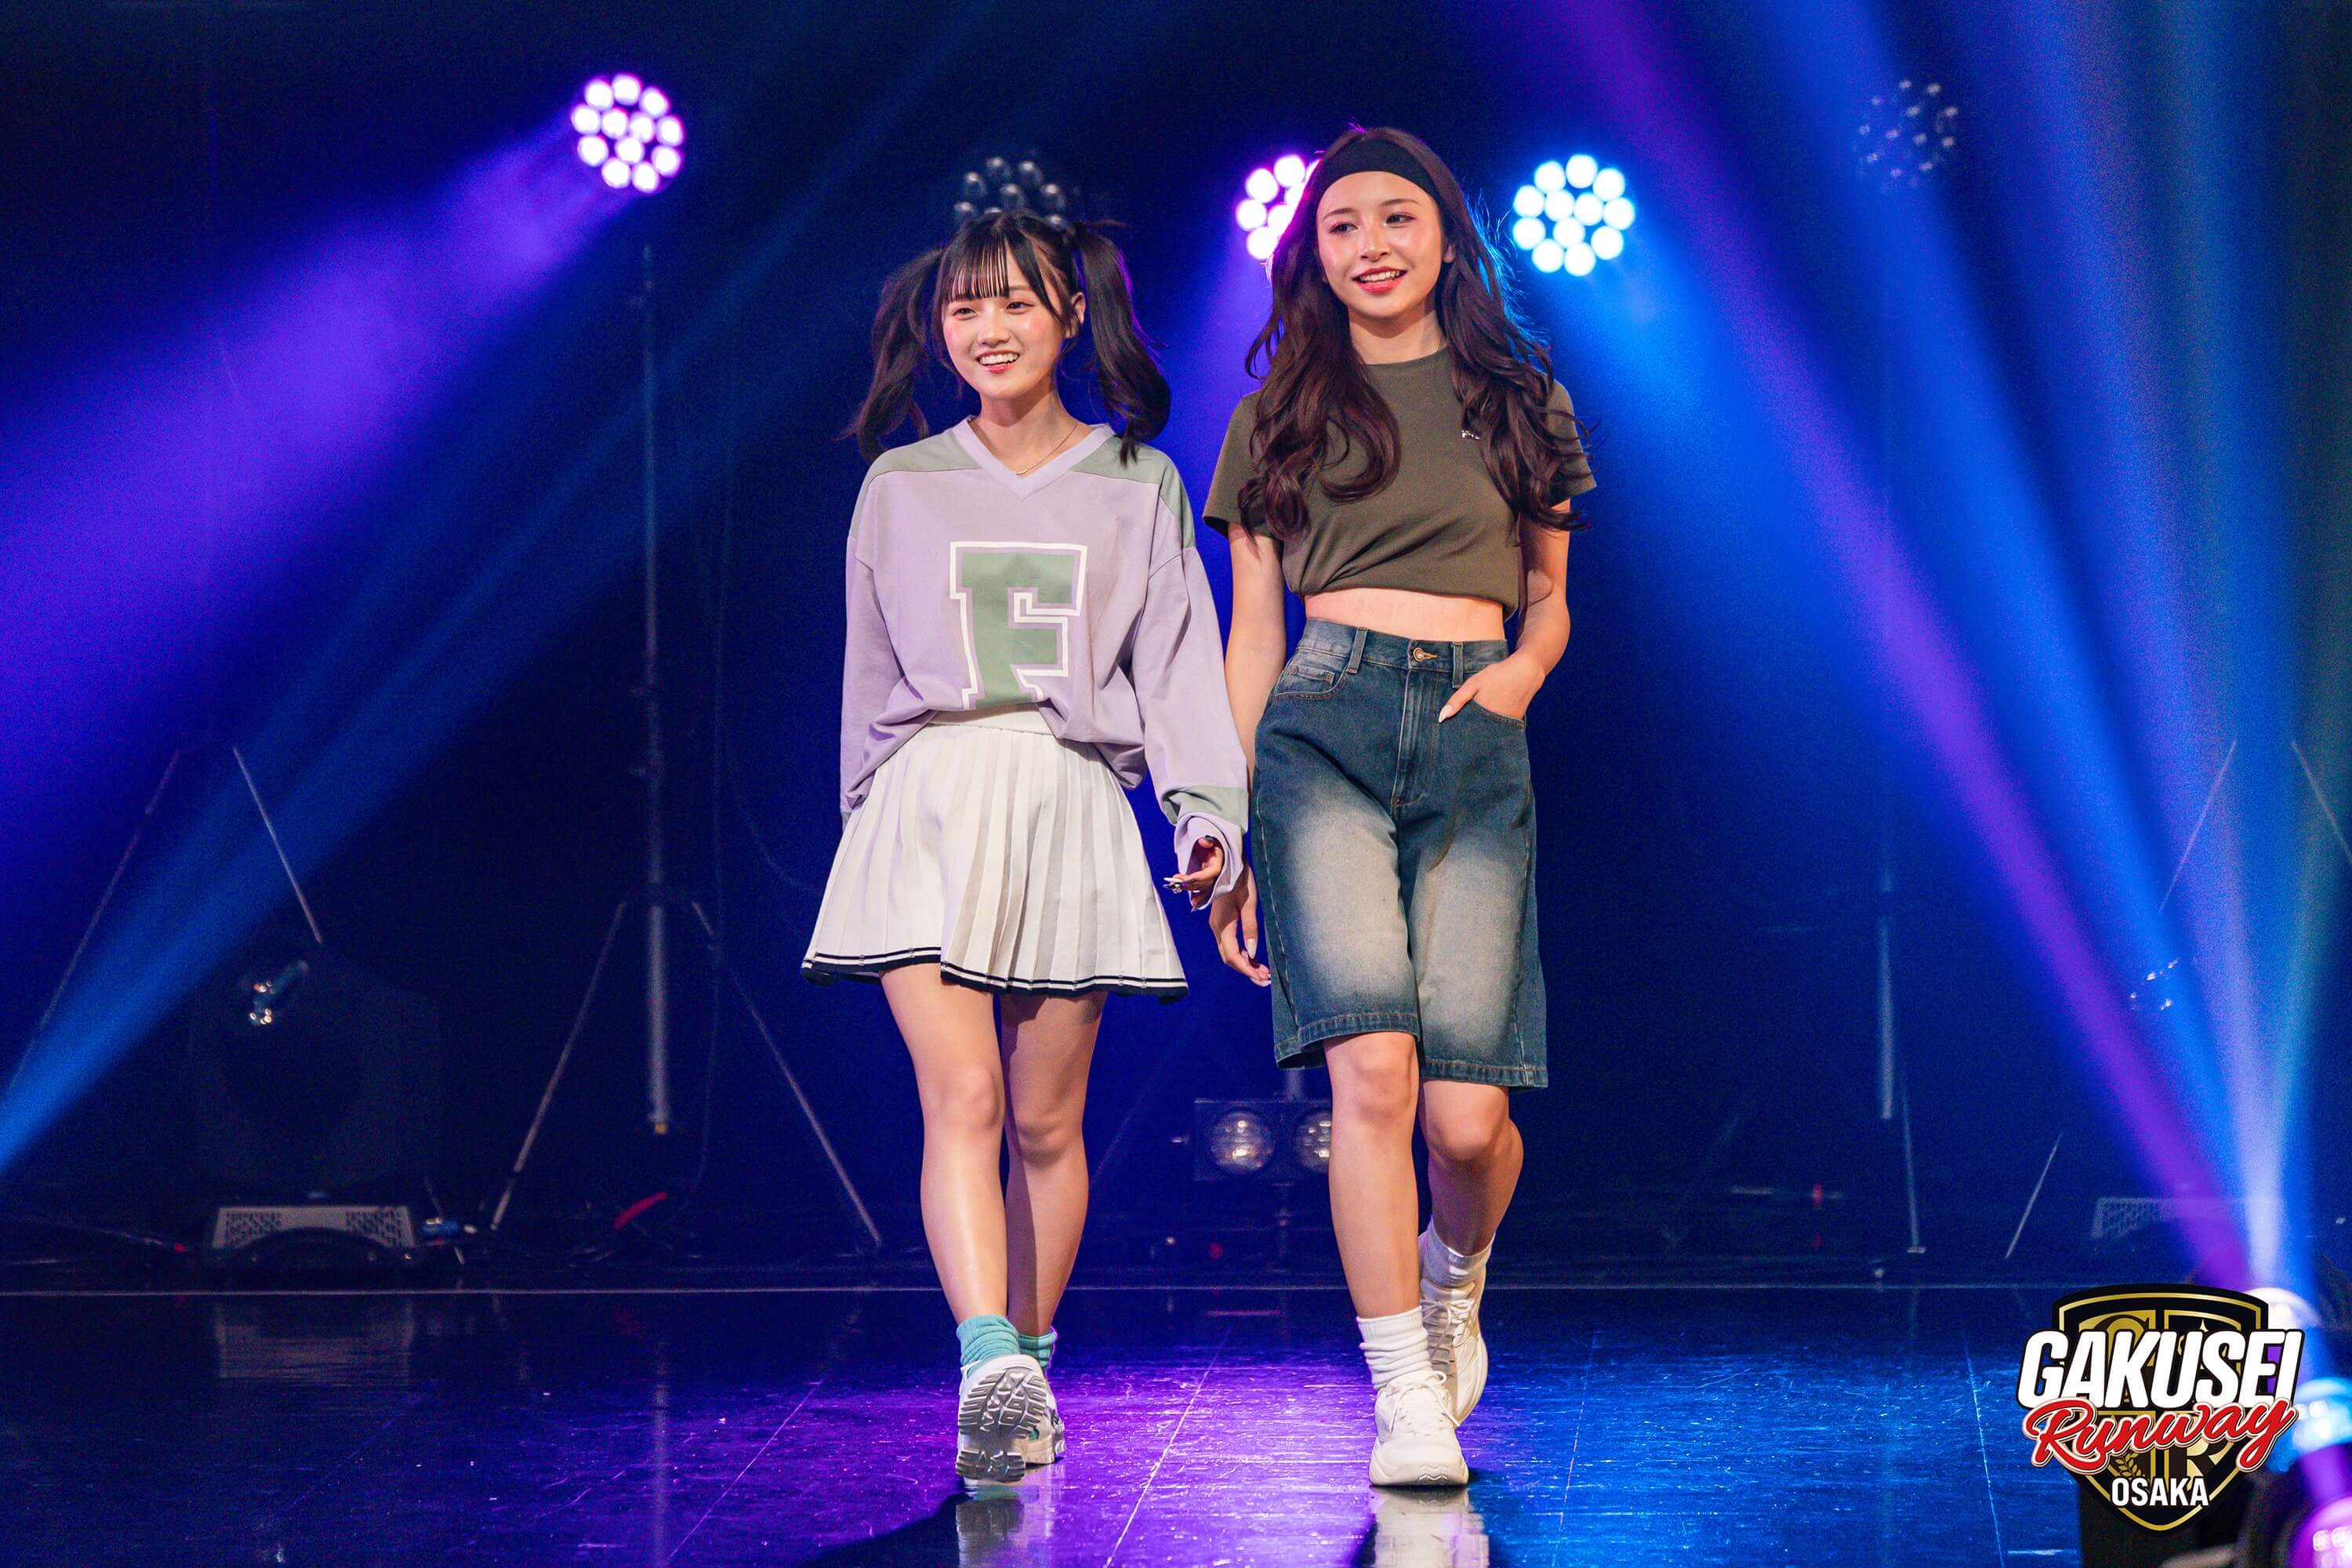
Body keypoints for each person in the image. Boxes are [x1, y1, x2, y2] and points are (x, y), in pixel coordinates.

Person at [805, 209, 1247, 1485]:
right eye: (964, 307)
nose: (987, 328)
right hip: (931, 802)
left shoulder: (1137, 481)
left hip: (1068, 801)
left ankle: (1030, 1369)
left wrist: (1206, 814)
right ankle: (988, 1363)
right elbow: (867, 676)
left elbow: (1177, 670)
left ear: (1072, 315)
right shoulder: (898, 484)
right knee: (965, 1100)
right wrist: (865, 816)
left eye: (1015, 302)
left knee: (1048, 1126)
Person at [1203, 127, 1595, 1487]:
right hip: (1322, 722)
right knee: (1370, 1075)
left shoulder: (1519, 396)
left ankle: (1451, 1280)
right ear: (1312, 254)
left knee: (1468, 1122)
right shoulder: (1278, 411)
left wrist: (1521, 677)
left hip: (1474, 726)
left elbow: (1550, 597)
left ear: (1445, 238)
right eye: (1341, 225)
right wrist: (1235, 824)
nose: (1369, 245)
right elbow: (1252, 633)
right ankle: (1401, 1398)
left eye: (1396, 218)